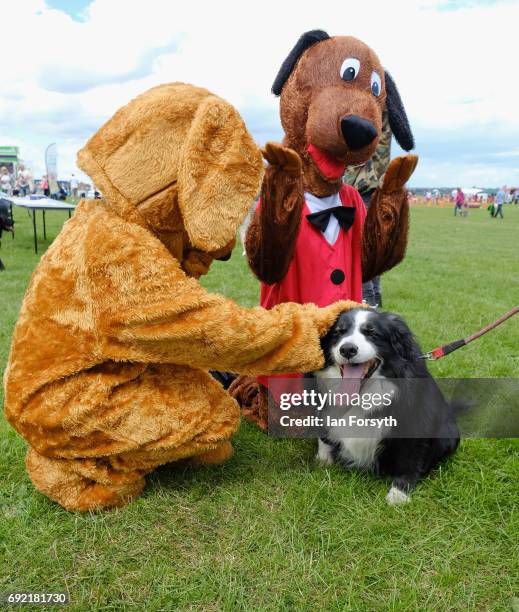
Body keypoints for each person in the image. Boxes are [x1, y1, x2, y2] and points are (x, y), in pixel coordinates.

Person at [343, 109, 392, 308]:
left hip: (361, 189)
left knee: (360, 252)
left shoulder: (365, 109)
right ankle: (374, 300)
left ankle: (367, 303)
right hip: (373, 190)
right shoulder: (380, 110)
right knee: (371, 249)